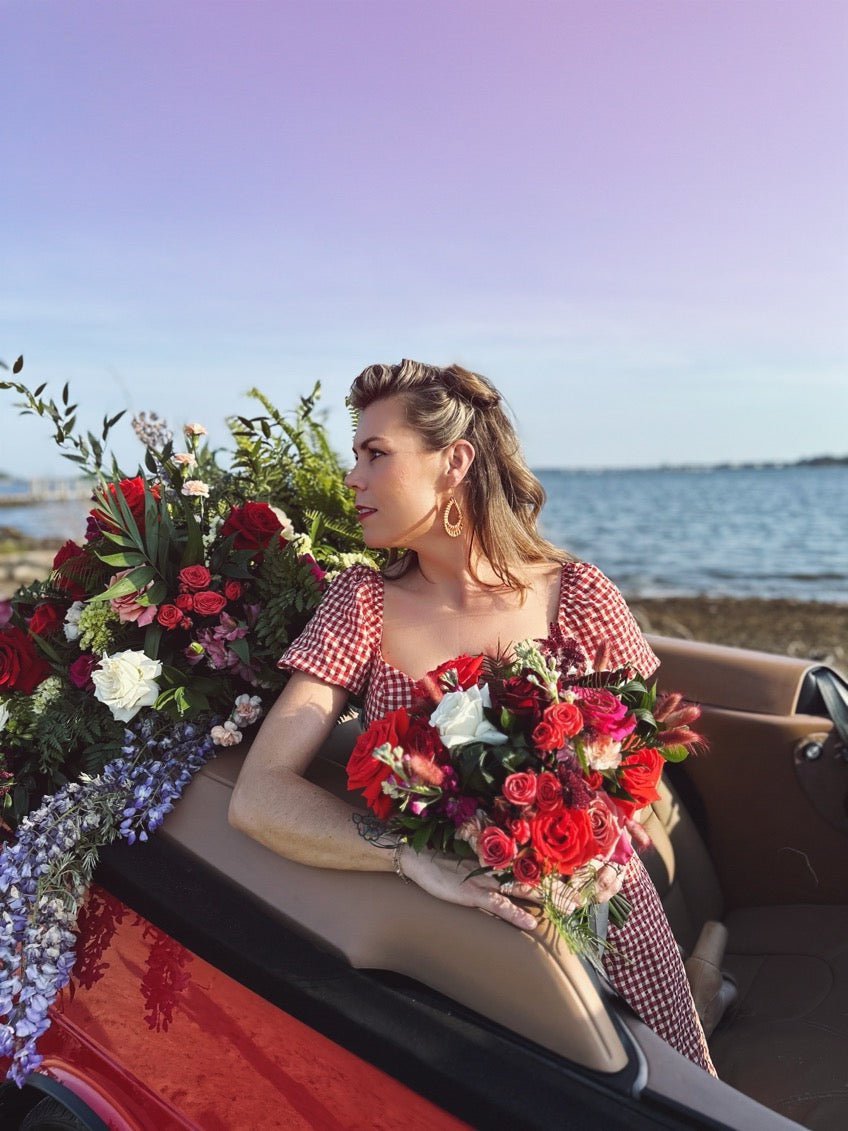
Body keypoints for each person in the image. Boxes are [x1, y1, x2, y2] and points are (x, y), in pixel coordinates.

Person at [228, 358, 715, 1073]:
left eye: (375, 454)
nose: (352, 477)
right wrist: (410, 854)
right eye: (354, 454)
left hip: (608, 915)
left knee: (680, 1097)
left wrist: (605, 835)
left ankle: (704, 995)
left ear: (454, 461)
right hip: (457, 951)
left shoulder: (578, 594)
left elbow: (637, 758)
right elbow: (257, 795)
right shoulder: (359, 604)